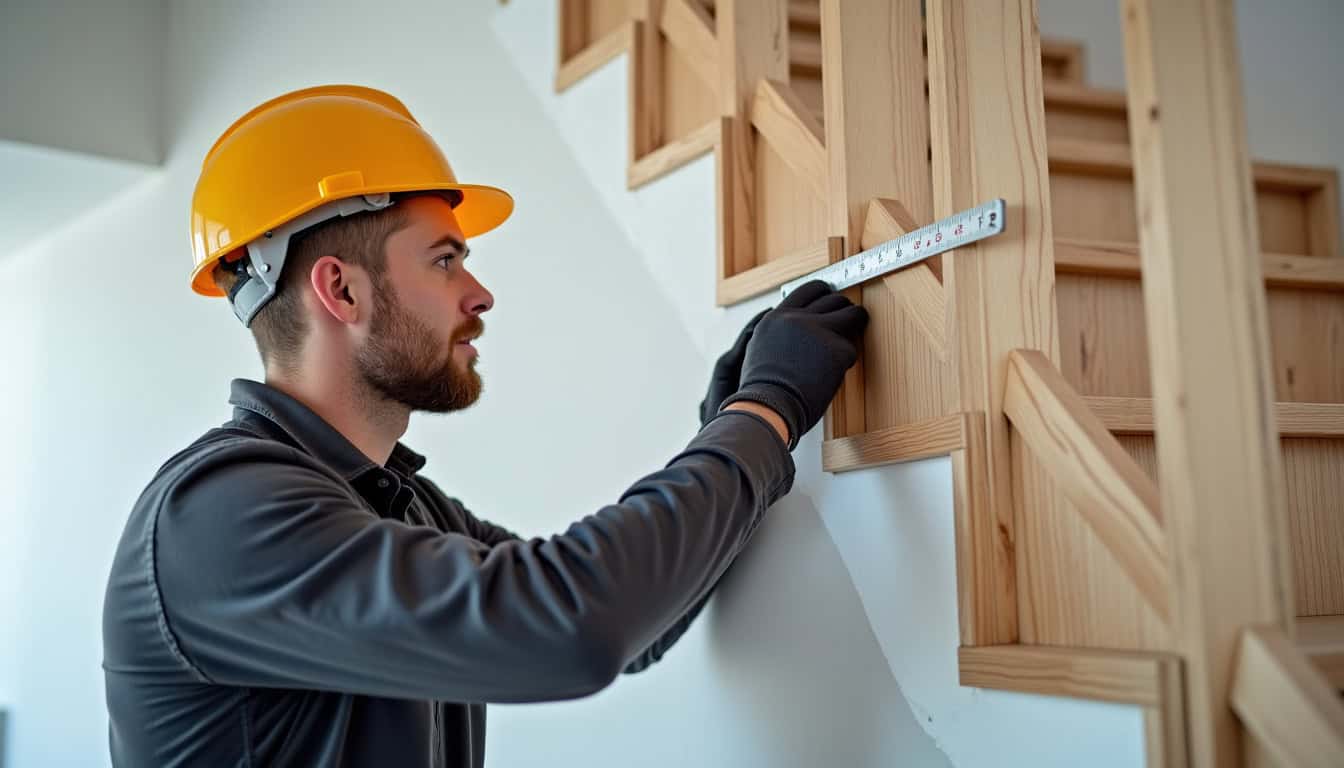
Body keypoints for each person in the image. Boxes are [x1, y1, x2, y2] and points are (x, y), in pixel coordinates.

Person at [101, 85, 868, 768]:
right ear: (340, 290)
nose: (480, 294)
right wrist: (759, 418)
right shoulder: (218, 515)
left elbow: (635, 626)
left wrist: (723, 436)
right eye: (444, 260)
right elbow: (574, 626)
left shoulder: (389, 500)